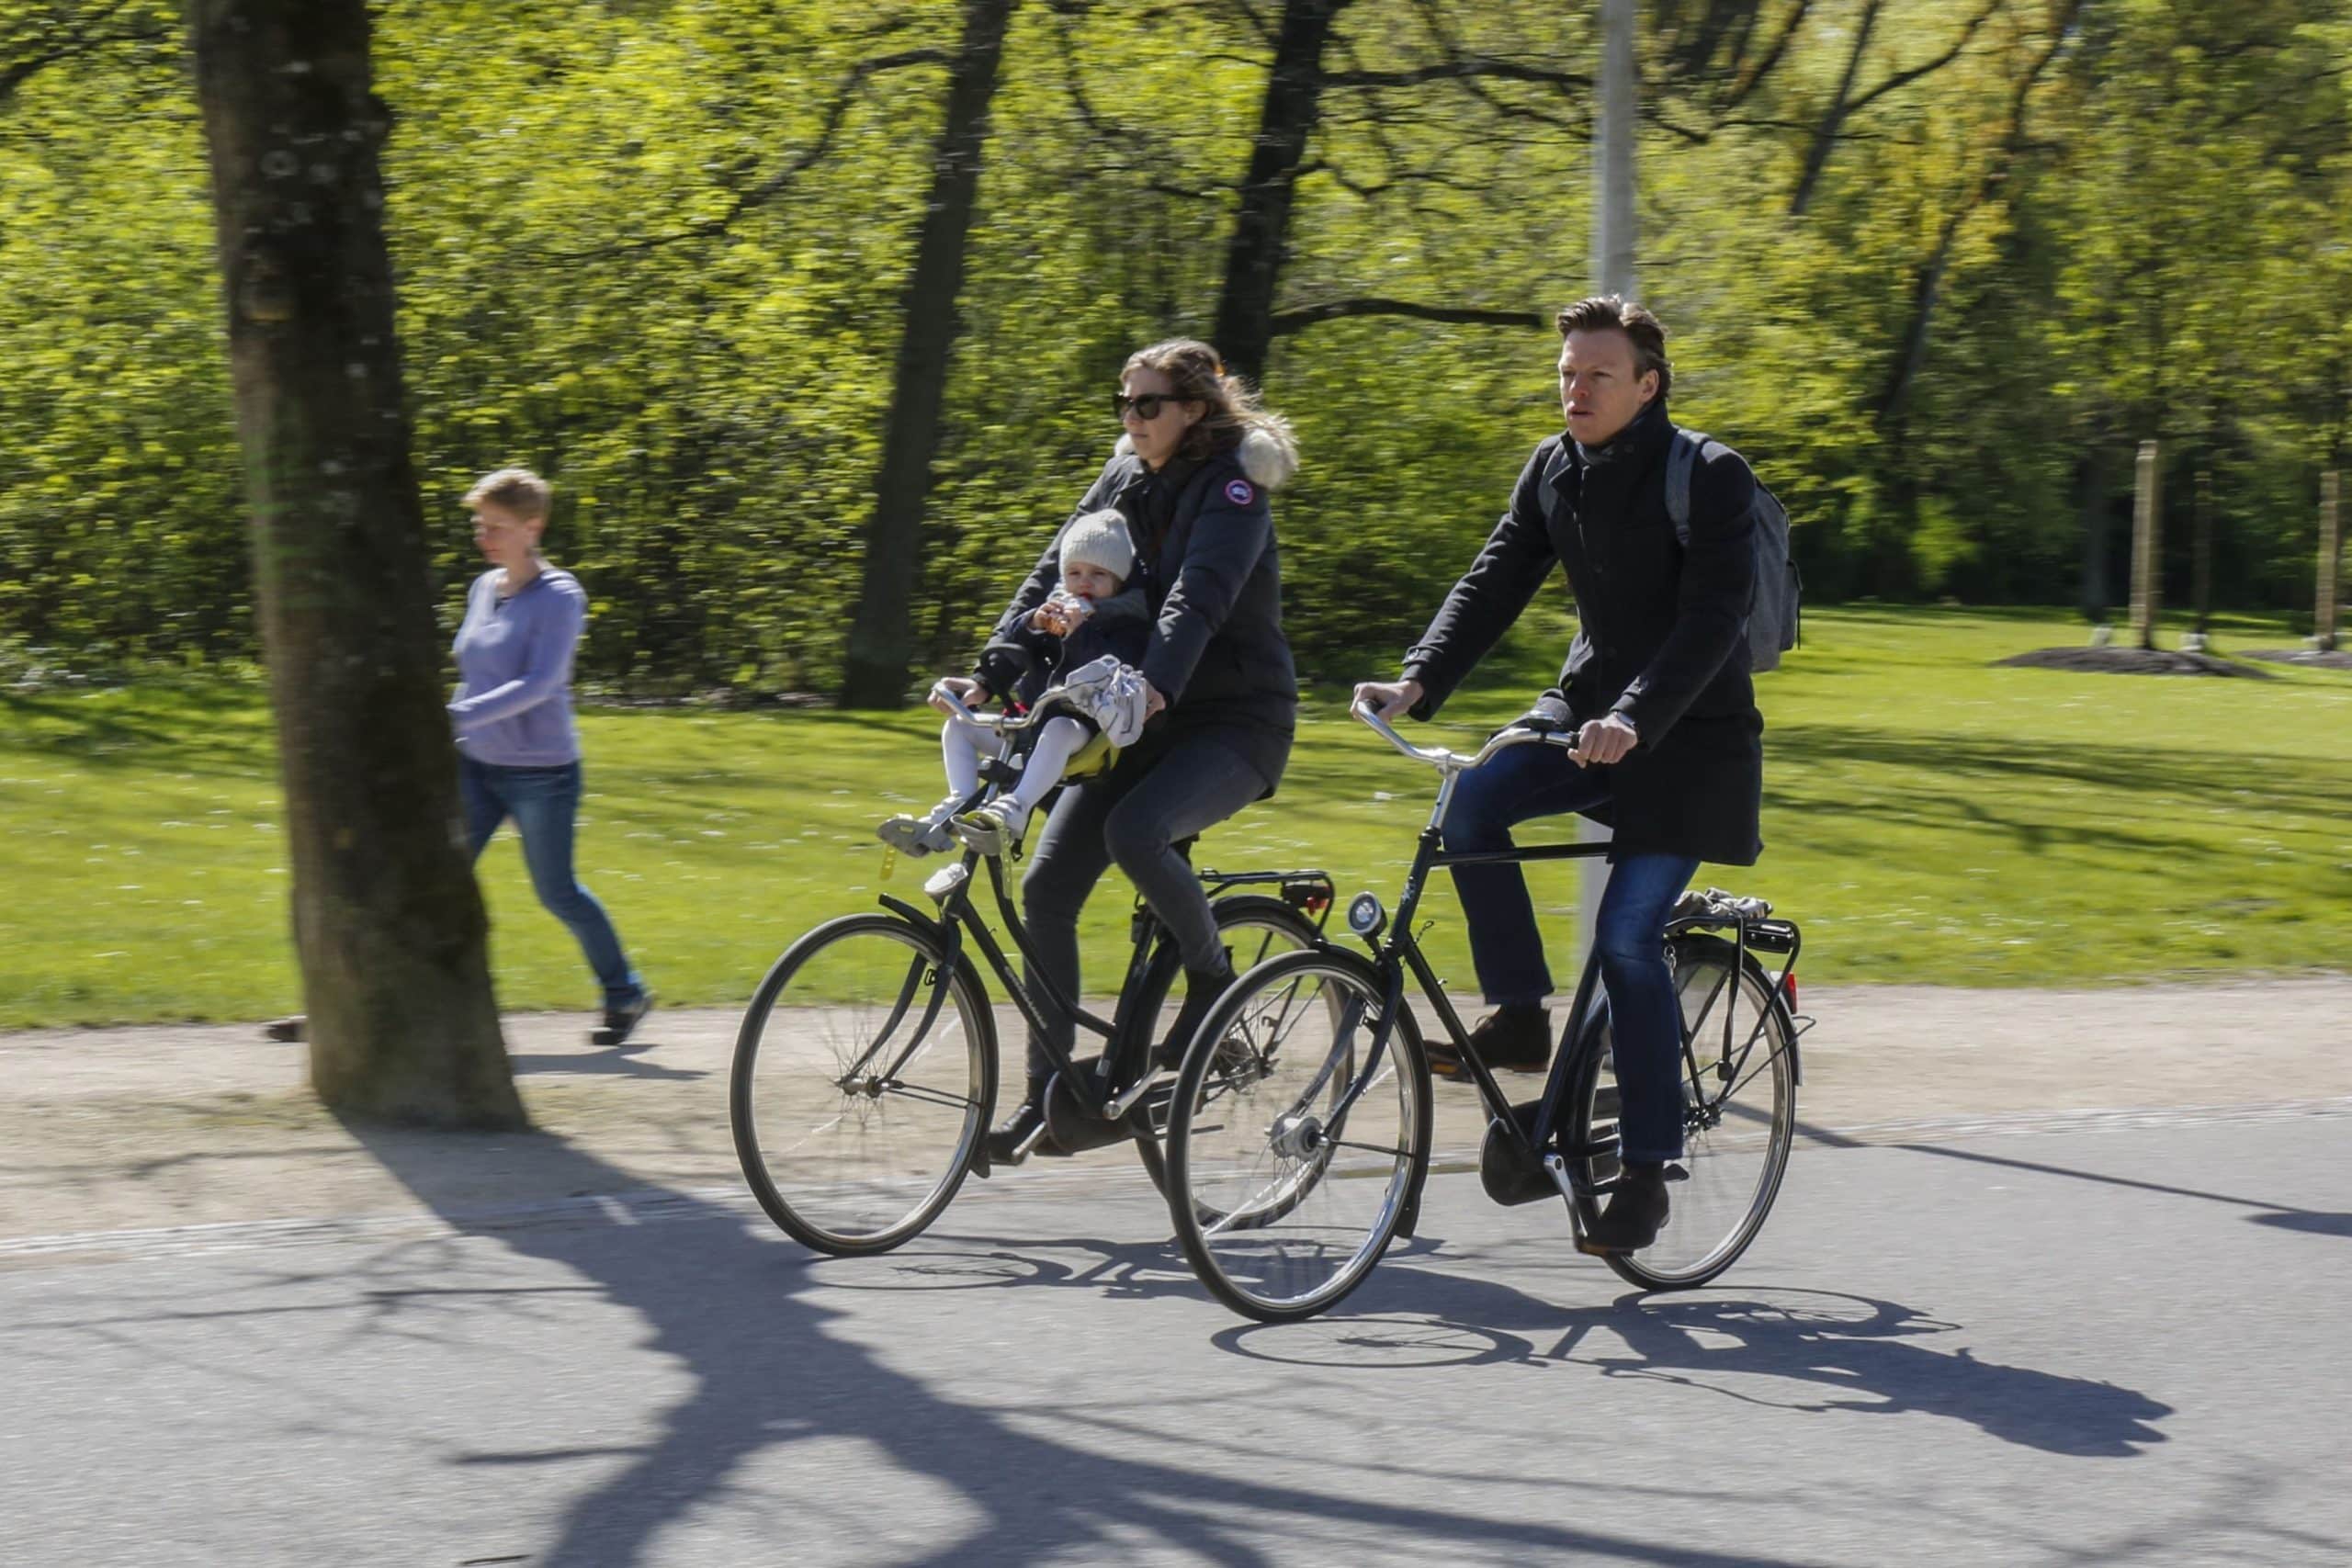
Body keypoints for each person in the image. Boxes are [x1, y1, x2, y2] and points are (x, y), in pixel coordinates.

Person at [1353, 296, 1763, 1254]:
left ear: (1647, 385)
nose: (1574, 391)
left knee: (1626, 941)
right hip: (1585, 714)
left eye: (1597, 376)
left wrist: (1636, 714)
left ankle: (1648, 1171)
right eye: (1566, 375)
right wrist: (1420, 678)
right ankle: (1520, 1015)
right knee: (1473, 804)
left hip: (1690, 745)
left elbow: (1714, 618)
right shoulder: (1553, 468)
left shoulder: (1706, 475)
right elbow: (1493, 577)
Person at [933, 339, 1300, 1160]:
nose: (1131, 418)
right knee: (1047, 884)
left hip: (1233, 722)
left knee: (1135, 832)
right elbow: (1054, 579)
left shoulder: (1233, 491)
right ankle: (1049, 1097)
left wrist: (1156, 684)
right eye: (1124, 403)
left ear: (1194, 410)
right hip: (1130, 717)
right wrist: (995, 673)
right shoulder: (1124, 475)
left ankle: (1211, 978)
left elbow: (1195, 603)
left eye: (1147, 404)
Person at [265, 468, 651, 1047]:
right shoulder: (482, 589)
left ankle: (624, 992)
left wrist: (448, 721)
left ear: (533, 527)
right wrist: (443, 722)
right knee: (419, 878)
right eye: (479, 524)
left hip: (541, 773)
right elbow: (473, 678)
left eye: (496, 526)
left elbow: (540, 684)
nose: (484, 536)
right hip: (475, 766)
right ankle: (345, 1007)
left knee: (557, 891)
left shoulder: (560, 597)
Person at [876, 509, 1149, 860]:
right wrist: (1031, 625)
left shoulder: (1127, 623)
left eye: (1098, 575)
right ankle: (959, 798)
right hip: (1027, 720)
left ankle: (1015, 809)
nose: (1084, 583)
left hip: (1083, 726)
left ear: (1118, 582)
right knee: (960, 723)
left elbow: (1106, 669)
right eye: (1075, 573)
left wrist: (1079, 632)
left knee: (1059, 728)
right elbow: (1012, 648)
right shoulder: (1053, 610)